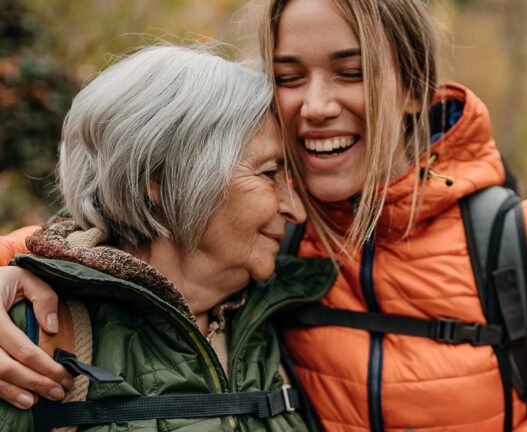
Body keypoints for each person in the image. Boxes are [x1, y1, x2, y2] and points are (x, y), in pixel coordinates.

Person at [0, 0, 527, 430]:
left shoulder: (526, 240)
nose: (314, 106)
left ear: (413, 86)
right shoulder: (270, 230)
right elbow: (101, 247)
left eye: (351, 71)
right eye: (288, 75)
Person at [0, 45, 333, 431]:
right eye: (269, 173)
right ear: (160, 180)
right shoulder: (31, 337)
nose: (297, 210)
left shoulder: (282, 326)